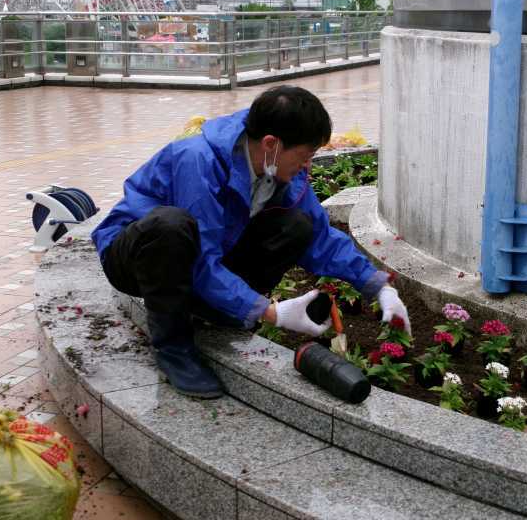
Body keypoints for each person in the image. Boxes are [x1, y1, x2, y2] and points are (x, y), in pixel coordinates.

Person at [91, 86, 410, 399]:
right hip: (137, 256)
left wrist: (379, 287)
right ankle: (174, 349)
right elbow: (201, 260)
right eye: (304, 156)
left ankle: (217, 312)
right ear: (271, 144)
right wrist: (271, 313)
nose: (308, 166)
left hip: (196, 256)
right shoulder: (199, 161)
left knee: (297, 225)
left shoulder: (278, 168)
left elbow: (320, 237)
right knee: (171, 227)